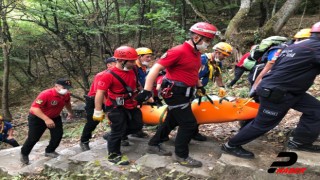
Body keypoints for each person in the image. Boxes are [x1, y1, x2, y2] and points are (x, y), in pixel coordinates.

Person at [221, 21, 320, 159]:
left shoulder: (294, 46)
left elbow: (274, 66)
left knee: (316, 110)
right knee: (263, 124)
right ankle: (231, 145)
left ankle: (300, 141)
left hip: (289, 91)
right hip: (278, 93)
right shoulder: (316, 48)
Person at [135, 22, 218, 168]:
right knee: (189, 124)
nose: (208, 44)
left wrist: (199, 86)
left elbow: (192, 72)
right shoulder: (178, 51)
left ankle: (153, 144)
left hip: (186, 91)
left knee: (171, 120)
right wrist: (147, 90)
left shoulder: (196, 53)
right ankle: (181, 155)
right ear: (197, 37)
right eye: (208, 40)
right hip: (175, 93)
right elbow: (155, 69)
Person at [93, 46, 143, 165]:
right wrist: (98, 110)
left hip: (131, 102)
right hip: (116, 106)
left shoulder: (133, 69)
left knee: (137, 125)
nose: (134, 63)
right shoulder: (108, 75)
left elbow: (137, 83)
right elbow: (99, 93)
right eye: (131, 61)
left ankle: (111, 136)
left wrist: (144, 92)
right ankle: (113, 154)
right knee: (117, 129)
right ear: (121, 61)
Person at [20, 78, 74, 165]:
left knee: (58, 135)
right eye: (64, 87)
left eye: (68, 88)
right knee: (33, 138)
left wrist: (70, 112)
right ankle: (24, 153)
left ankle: (50, 151)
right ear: (56, 86)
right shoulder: (46, 94)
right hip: (38, 118)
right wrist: (46, 119)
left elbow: (67, 104)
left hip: (55, 117)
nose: (66, 90)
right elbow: (34, 108)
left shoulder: (66, 95)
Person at [79, 57, 116, 151]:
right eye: (116, 62)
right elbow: (100, 93)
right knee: (93, 121)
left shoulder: (118, 74)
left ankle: (115, 136)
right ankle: (84, 141)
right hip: (94, 100)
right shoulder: (101, 75)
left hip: (110, 99)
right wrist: (106, 108)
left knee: (116, 118)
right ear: (109, 65)